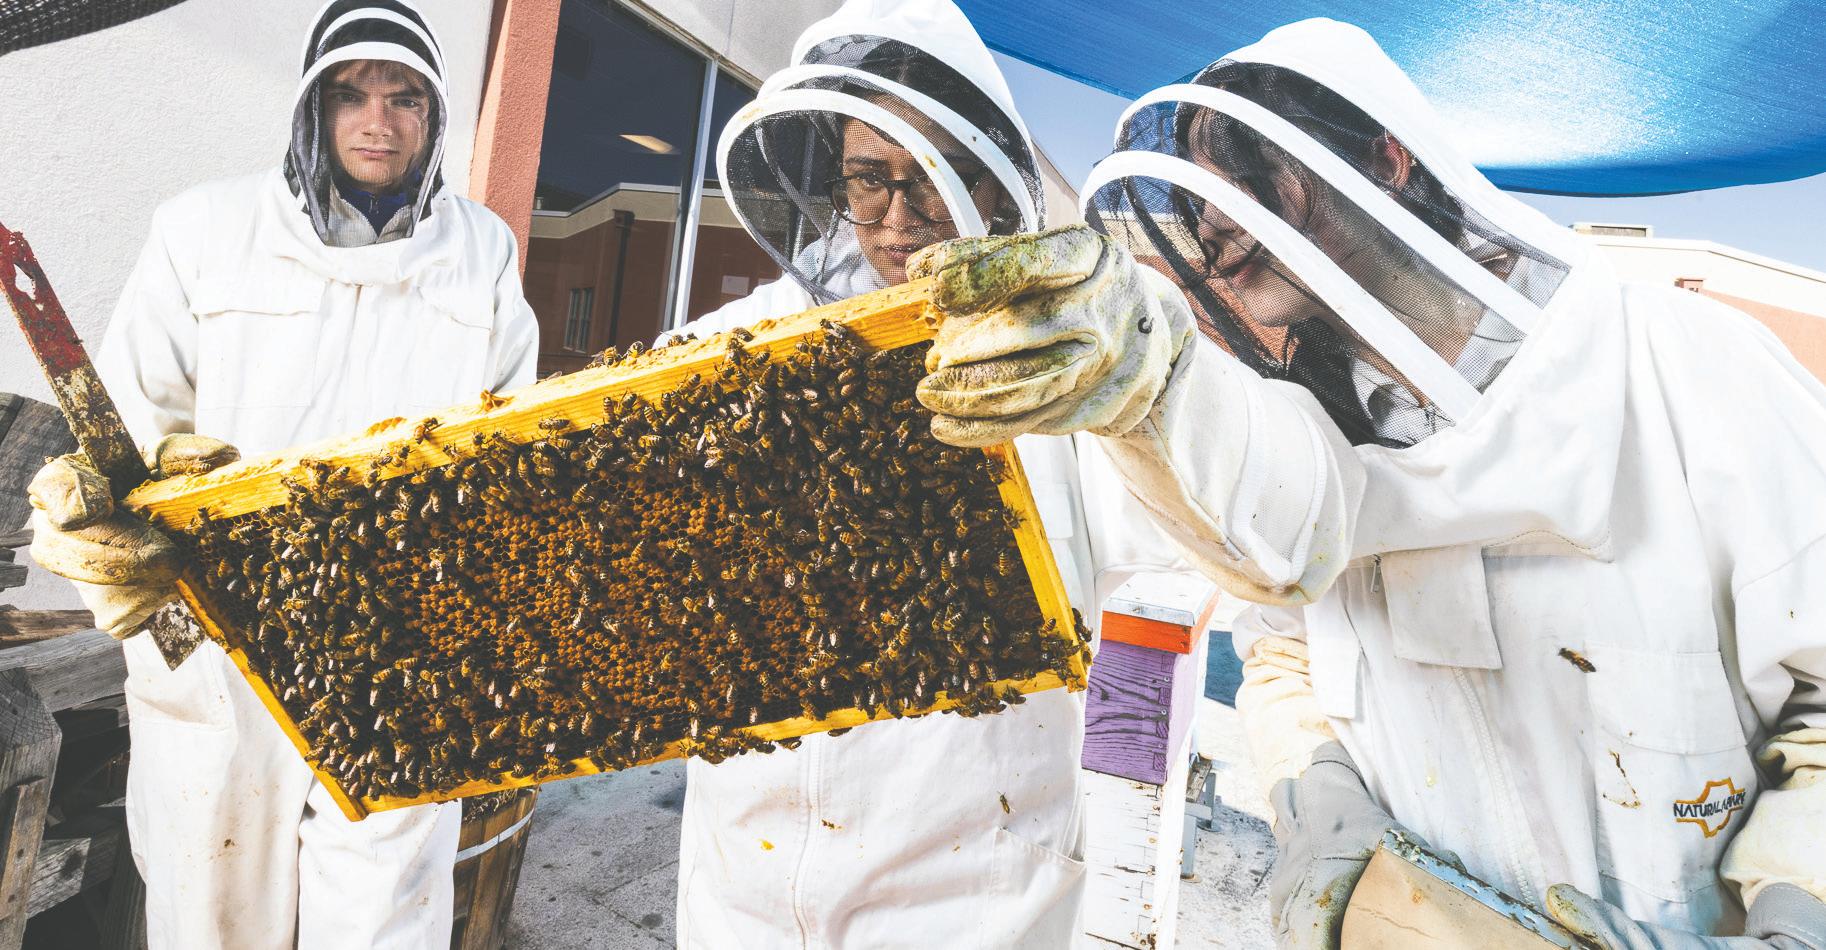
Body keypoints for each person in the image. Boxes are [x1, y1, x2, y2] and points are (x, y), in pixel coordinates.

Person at [909, 17, 1826, 950]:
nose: (1214, 220)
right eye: (1200, 195)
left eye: (1250, 169)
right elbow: (1280, 653)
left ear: (1385, 159)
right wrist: (1318, 791)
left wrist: (1799, 913)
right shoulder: (1302, 437)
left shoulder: (1692, 368)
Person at [660, 1, 1175, 945]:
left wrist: (1150, 378)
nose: (898, 221)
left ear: (991, 182)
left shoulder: (1064, 356)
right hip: (745, 879)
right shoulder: (728, 348)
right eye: (869, 180)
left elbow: (1190, 554)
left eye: (932, 178)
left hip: (969, 890)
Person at [25, 2, 538, 946]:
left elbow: (509, 441)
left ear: (435, 115)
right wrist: (116, 524)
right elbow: (132, 421)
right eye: (351, 95)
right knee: (212, 905)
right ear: (312, 106)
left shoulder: (482, 251)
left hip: (402, 635)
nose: (379, 123)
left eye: (405, 99)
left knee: (382, 916)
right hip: (224, 629)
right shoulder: (203, 228)